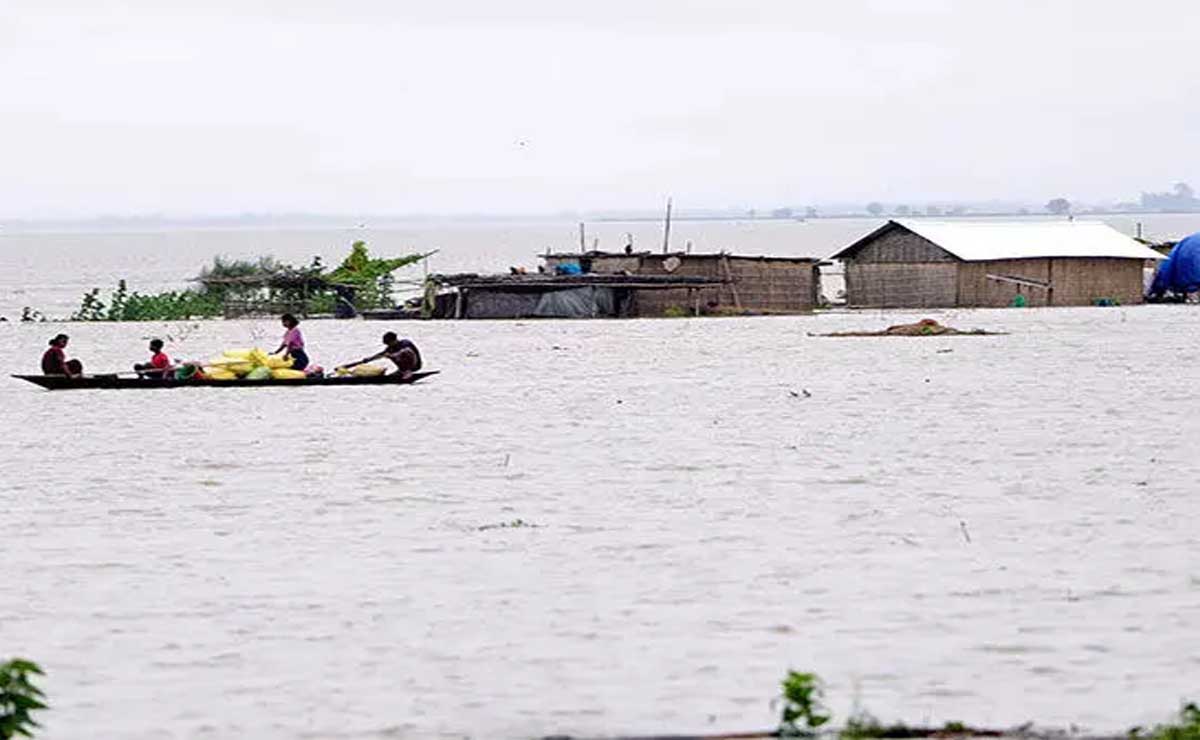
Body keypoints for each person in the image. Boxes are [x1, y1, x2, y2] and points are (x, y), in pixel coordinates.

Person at [340, 332, 422, 377]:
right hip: (402, 367)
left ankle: (407, 371)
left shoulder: (405, 343)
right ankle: (401, 371)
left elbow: (405, 351)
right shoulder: (390, 348)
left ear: (394, 340)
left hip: (414, 365)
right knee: (387, 354)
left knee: (405, 353)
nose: (388, 345)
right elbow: (380, 355)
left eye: (389, 343)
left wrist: (392, 355)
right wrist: (367, 359)